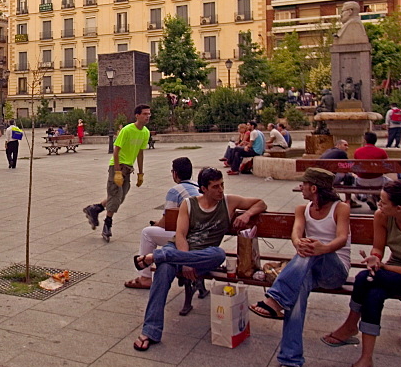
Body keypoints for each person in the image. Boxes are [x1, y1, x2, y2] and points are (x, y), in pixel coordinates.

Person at [131, 168, 267, 351]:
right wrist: (186, 261)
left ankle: (157, 256)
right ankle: (150, 331)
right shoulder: (189, 204)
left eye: (222, 185)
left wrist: (247, 214)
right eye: (215, 187)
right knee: (163, 271)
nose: (221, 190)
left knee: (218, 254)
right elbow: (180, 235)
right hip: (180, 250)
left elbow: (261, 203)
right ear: (203, 188)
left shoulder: (228, 202)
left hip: (203, 256)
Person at [322, 181, 401, 367]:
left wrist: (384, 267)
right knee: (374, 294)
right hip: (390, 274)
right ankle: (366, 358)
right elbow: (378, 248)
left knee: (363, 278)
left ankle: (350, 326)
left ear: (399, 208)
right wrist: (375, 259)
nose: (378, 204)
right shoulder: (383, 217)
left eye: (383, 202)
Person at [249, 168, 351, 367]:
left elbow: (341, 238)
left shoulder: (340, 208)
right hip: (309, 268)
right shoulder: (301, 209)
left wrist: (324, 248)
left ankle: (274, 299)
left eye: (303, 184)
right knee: (297, 293)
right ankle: (290, 357)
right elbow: (296, 233)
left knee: (310, 249)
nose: (300, 188)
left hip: (335, 269)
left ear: (313, 188)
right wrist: (298, 243)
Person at [125, 157, 200, 290]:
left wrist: (155, 225)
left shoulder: (176, 190)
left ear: (175, 174)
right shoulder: (197, 186)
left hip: (187, 237)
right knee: (153, 230)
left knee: (147, 233)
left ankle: (145, 277)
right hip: (200, 234)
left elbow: (167, 221)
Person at [83, 104, 152, 242]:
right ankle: (107, 225)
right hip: (117, 166)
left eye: (149, 114)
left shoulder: (145, 132)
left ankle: (95, 209)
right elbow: (116, 151)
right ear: (137, 115)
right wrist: (117, 172)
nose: (147, 116)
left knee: (120, 197)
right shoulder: (127, 130)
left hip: (128, 168)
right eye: (144, 114)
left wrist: (141, 173)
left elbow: (140, 152)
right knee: (115, 196)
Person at [352, 131, 388, 210]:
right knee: (391, 182)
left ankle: (369, 196)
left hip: (362, 181)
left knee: (355, 180)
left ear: (365, 140)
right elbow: (386, 169)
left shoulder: (358, 151)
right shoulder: (381, 152)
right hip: (378, 180)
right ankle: (376, 197)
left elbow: (355, 168)